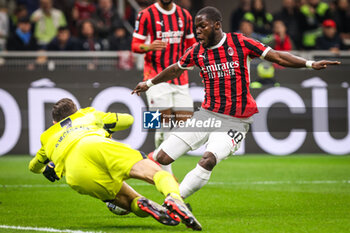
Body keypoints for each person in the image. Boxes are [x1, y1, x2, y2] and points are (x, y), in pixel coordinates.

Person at [132, 6, 340, 200]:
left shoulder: (240, 42)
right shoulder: (195, 50)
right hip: (205, 115)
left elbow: (277, 57)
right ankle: (126, 189)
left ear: (217, 25)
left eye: (202, 27)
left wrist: (310, 64)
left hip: (235, 121)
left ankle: (173, 201)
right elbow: (176, 68)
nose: (197, 32)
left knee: (208, 159)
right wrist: (149, 83)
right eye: (196, 28)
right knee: (161, 152)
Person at [28, 98, 202, 231]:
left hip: (76, 173)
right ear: (76, 111)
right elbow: (128, 120)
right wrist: (108, 126)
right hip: (97, 145)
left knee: (129, 201)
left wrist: (47, 168)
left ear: (54, 123)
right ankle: (173, 197)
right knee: (156, 173)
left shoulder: (47, 137)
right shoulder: (87, 114)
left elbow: (33, 167)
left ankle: (141, 203)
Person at [131, 0, 196, 174]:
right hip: (154, 79)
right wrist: (149, 46)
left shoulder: (185, 16)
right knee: (163, 127)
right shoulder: (145, 14)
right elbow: (135, 46)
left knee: (187, 126)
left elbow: (192, 46)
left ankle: (153, 157)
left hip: (180, 78)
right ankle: (167, 177)